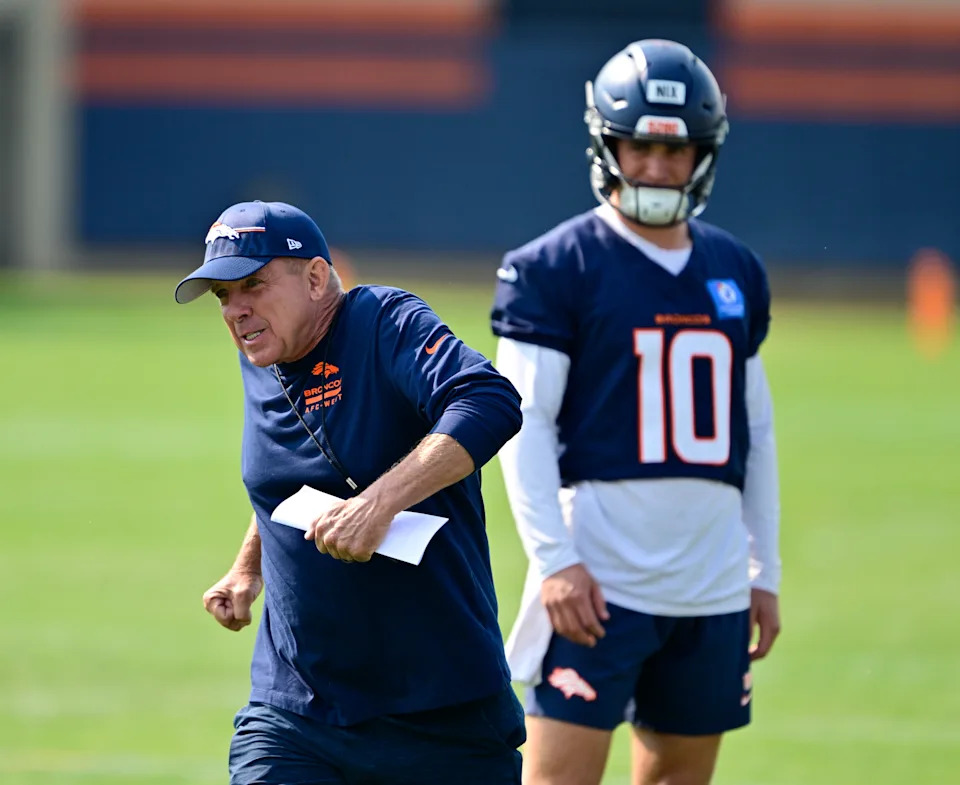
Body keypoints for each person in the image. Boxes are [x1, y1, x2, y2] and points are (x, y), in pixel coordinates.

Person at [490, 40, 782, 785]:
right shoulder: (554, 266)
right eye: (639, 148)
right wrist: (554, 561)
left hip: (711, 581)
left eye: (675, 150)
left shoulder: (735, 270)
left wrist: (762, 565)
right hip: (598, 577)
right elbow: (520, 424)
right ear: (606, 145)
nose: (655, 168)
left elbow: (756, 430)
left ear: (703, 153)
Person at [175, 200, 525, 785]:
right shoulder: (263, 355)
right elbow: (293, 476)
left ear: (316, 277)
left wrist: (378, 504)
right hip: (297, 709)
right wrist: (247, 567)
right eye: (222, 297)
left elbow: (488, 401)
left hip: (441, 711)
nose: (236, 311)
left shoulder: (383, 321)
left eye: (252, 285)